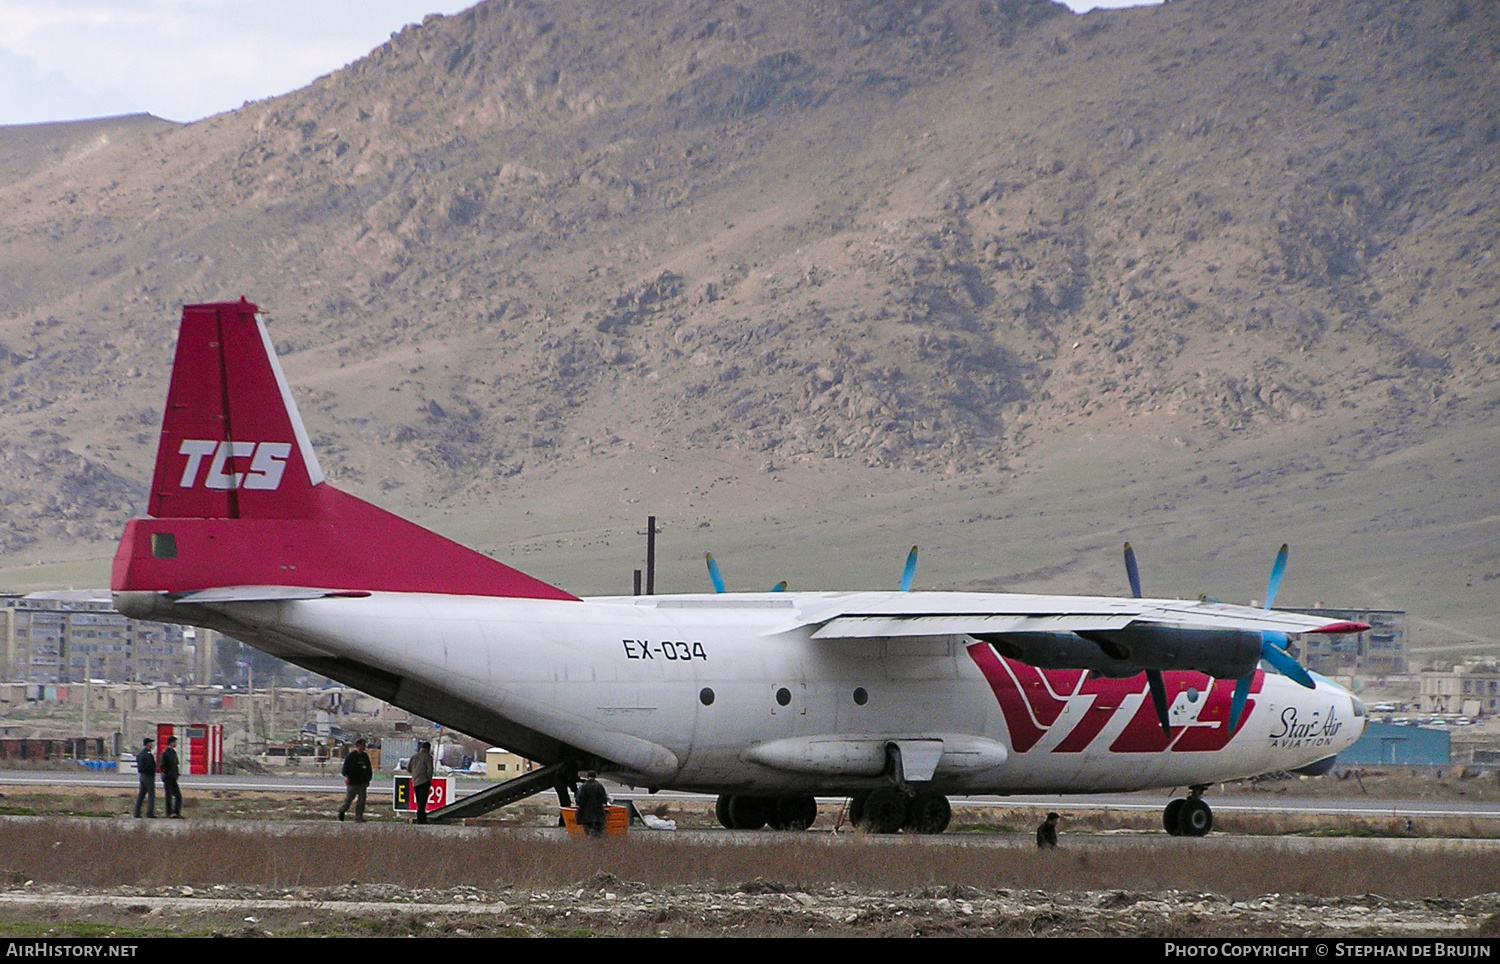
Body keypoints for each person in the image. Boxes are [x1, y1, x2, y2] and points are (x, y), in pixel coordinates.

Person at [338, 738, 372, 823]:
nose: (364, 746)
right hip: (353, 782)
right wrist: (347, 777)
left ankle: (358, 817)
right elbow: (345, 768)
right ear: (358, 746)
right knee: (349, 799)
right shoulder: (351, 756)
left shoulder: (365, 756)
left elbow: (368, 769)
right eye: (362, 745)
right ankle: (342, 811)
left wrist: (368, 779)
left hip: (362, 782)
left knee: (361, 800)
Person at [576, 770, 609, 838]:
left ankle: (589, 844)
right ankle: (598, 844)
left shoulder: (583, 787)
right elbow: (604, 800)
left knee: (588, 832)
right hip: (598, 813)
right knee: (599, 832)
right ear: (595, 777)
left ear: (587, 777)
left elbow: (578, 800)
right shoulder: (599, 786)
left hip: (585, 813)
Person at [408, 741, 434, 824]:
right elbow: (430, 770)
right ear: (428, 748)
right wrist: (429, 779)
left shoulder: (414, 757)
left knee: (419, 800)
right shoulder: (428, 757)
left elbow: (408, 768)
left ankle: (420, 818)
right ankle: (421, 819)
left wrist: (414, 774)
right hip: (424, 781)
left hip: (415, 781)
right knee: (423, 802)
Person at [133, 737, 157, 818]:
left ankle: (137, 812)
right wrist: (151, 770)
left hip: (143, 776)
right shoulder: (146, 754)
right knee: (151, 795)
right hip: (147, 775)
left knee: (141, 794)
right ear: (147, 744)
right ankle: (150, 813)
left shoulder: (143, 753)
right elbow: (146, 765)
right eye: (150, 743)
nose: (151, 744)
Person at [160, 736, 182, 818]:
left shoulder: (173, 753)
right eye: (175, 742)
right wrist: (168, 773)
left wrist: (176, 774)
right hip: (168, 778)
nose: (176, 744)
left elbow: (176, 764)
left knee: (178, 796)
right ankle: (169, 813)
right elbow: (162, 766)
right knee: (168, 796)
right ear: (171, 743)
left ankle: (176, 812)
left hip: (173, 778)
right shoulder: (165, 753)